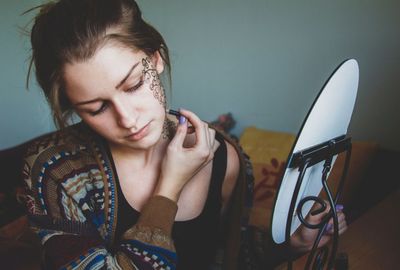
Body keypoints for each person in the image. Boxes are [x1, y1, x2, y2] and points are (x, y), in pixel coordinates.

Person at [21, 0, 347, 269]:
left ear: (155, 59)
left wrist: (288, 246)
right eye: (97, 108)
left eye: (134, 85)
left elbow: (227, 256)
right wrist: (169, 190)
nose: (128, 118)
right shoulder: (56, 173)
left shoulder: (223, 156)